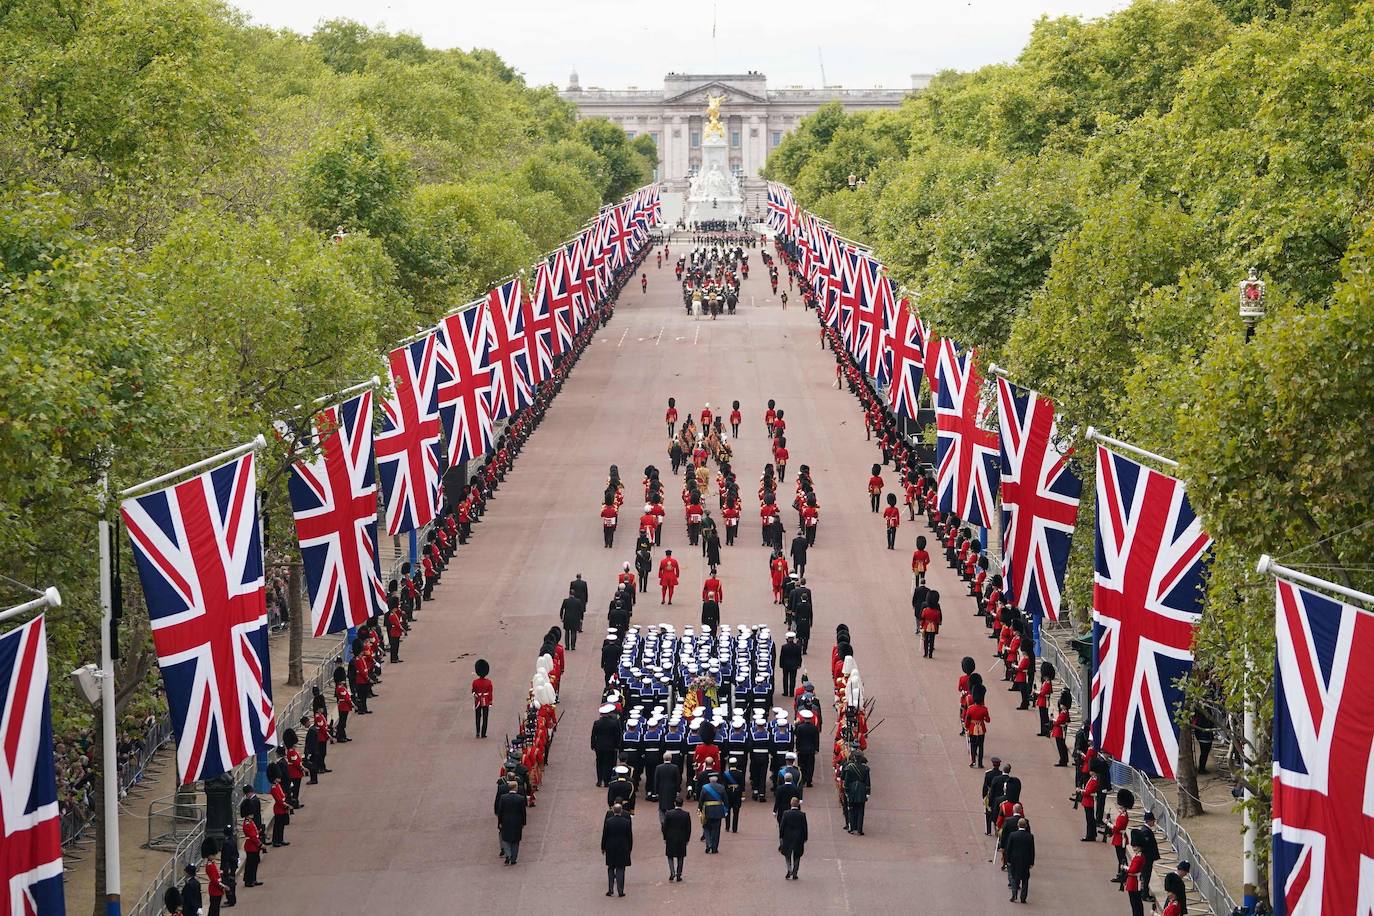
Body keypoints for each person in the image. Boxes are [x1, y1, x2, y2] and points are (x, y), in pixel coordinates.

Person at [602, 803, 634, 897]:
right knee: (620, 868)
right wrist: (630, 848)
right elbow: (629, 837)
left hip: (610, 848)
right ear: (621, 811)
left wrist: (603, 847)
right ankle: (620, 891)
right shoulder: (626, 822)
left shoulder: (608, 822)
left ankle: (610, 889)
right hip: (622, 848)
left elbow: (605, 836)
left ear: (613, 811)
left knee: (611, 868)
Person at [495, 779, 527, 865]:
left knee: (505, 839)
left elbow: (500, 811)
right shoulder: (520, 798)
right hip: (517, 822)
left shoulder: (503, 798)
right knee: (516, 841)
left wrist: (499, 822)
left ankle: (508, 855)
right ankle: (513, 858)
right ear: (516, 788)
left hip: (506, 821)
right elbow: (523, 812)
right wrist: (523, 822)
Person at [1004, 817, 1035, 903]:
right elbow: (1032, 850)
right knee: (1025, 880)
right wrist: (1032, 862)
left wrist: (1008, 860)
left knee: (1014, 878)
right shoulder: (1030, 836)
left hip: (1014, 860)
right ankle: (1023, 898)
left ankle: (1014, 895)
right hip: (1025, 860)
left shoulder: (1013, 835)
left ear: (1018, 825)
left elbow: (1009, 848)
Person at [661, 795, 691, 881]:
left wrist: (665, 837)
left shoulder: (669, 813)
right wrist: (687, 839)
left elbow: (665, 827)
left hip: (670, 837)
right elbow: (688, 828)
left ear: (675, 803)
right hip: (682, 838)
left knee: (670, 856)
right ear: (682, 804)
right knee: (680, 856)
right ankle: (679, 874)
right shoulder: (686, 814)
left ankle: (672, 872)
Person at [592, 704, 622, 786]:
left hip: (599, 746)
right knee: (608, 763)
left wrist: (593, 745)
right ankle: (607, 781)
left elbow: (593, 735)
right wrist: (617, 746)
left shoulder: (597, 723)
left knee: (599, 763)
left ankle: (599, 780)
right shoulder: (614, 723)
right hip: (610, 746)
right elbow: (617, 735)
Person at [779, 796, 808, 880]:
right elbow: (805, 827)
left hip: (787, 837)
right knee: (797, 855)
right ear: (798, 804)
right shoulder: (802, 814)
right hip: (798, 837)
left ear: (790, 804)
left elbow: (782, 826)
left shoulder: (786, 813)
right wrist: (805, 837)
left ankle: (789, 869)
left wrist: (781, 836)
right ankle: (795, 872)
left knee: (787, 854)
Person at [698, 772, 728, 853]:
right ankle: (714, 848)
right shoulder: (721, 788)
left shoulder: (705, 788)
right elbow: (725, 801)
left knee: (706, 828)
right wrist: (726, 810)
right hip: (718, 811)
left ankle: (709, 844)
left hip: (707, 811)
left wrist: (699, 809)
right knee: (716, 830)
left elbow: (701, 800)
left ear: (709, 779)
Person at [841, 752, 871, 835]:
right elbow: (867, 781)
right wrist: (868, 792)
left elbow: (846, 781)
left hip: (852, 789)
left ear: (854, 759)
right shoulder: (865, 768)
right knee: (861, 810)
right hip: (862, 790)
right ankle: (859, 829)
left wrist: (846, 791)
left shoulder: (850, 767)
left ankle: (851, 828)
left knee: (851, 809)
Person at [963, 684, 990, 767]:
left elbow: (967, 719)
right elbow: (988, 720)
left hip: (972, 728)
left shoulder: (970, 708)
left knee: (973, 745)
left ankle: (973, 761)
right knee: (981, 746)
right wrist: (983, 718)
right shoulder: (984, 709)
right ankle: (980, 763)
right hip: (981, 727)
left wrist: (966, 727)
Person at [793, 709, 820, 787]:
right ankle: (809, 781)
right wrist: (816, 749)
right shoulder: (814, 728)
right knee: (810, 766)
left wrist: (797, 749)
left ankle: (803, 779)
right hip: (811, 749)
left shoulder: (800, 727)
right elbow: (816, 739)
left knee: (801, 765)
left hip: (801, 749)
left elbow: (798, 739)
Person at [472, 659, 493, 738]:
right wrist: (490, 701)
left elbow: (473, 691)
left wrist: (475, 695)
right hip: (486, 700)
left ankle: (477, 732)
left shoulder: (475, 682)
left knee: (477, 717)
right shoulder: (488, 682)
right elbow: (490, 693)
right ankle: (483, 733)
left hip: (478, 701)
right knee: (485, 717)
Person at [1125, 841, 1146, 916]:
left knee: (1135, 903)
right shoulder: (1140, 856)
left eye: (1135, 846)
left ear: (1139, 847)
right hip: (1134, 881)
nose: (1133, 848)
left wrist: (1125, 868)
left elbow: (1132, 870)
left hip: (1134, 882)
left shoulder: (1138, 857)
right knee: (1137, 903)